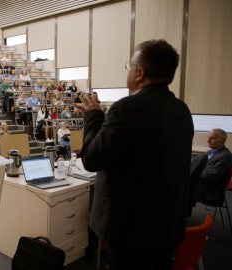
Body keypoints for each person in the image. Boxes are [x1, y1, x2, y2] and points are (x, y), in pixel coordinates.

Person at [73, 39, 193, 269]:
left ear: (140, 73)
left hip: (132, 228)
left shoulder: (127, 108)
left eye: (129, 66)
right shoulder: (181, 108)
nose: (127, 70)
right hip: (166, 223)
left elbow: (91, 159)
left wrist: (93, 116)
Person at [190, 129, 232, 209]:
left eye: (212, 138)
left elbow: (212, 175)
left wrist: (193, 175)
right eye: (208, 137)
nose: (208, 141)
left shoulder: (226, 156)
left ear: (223, 141)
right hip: (202, 183)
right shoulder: (209, 152)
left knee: (181, 187)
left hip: (210, 189)